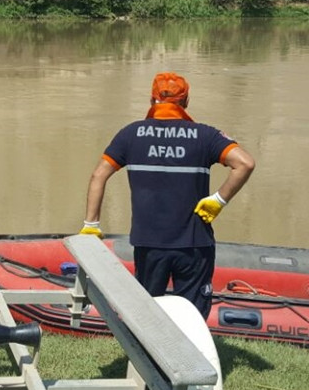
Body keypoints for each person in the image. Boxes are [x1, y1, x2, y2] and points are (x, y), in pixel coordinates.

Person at [81, 72, 255, 318]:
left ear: (152, 99)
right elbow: (245, 163)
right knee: (193, 315)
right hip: (194, 243)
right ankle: (189, 344)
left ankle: (145, 345)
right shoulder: (206, 136)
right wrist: (218, 200)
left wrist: (91, 224)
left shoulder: (130, 134)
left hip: (149, 244)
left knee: (147, 312)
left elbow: (98, 175)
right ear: (186, 102)